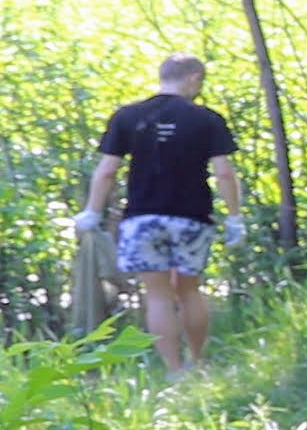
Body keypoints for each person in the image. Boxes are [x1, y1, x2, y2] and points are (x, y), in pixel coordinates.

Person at [85, 54, 244, 376]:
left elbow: (107, 171)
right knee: (189, 290)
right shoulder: (207, 119)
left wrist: (92, 211)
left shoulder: (128, 116)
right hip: (192, 218)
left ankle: (174, 370)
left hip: (141, 219)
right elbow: (224, 173)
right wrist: (234, 217)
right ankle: (197, 362)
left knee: (157, 296)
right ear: (193, 78)